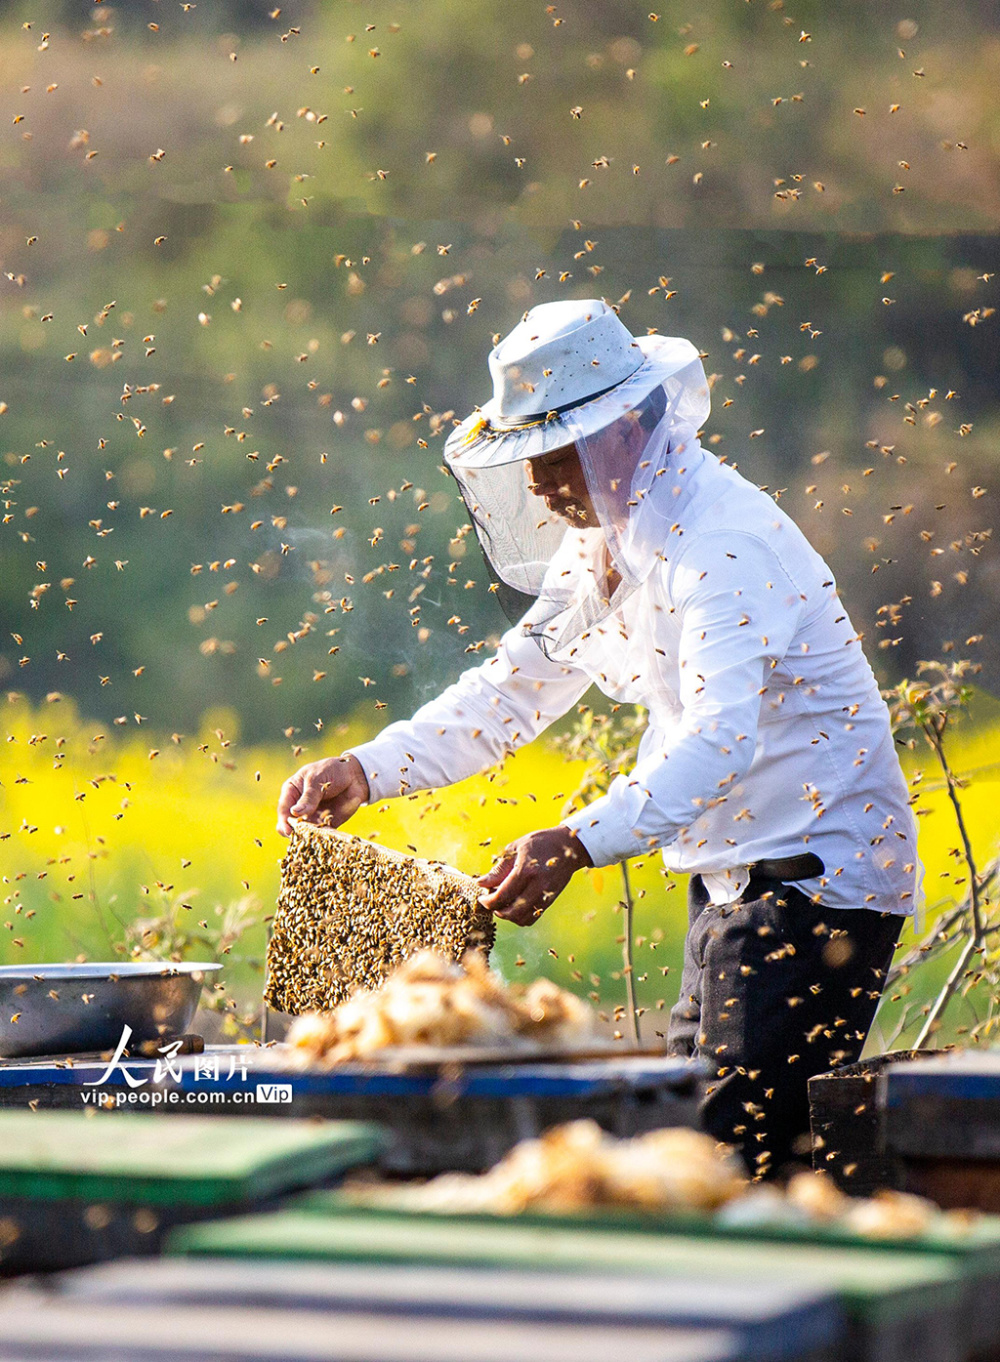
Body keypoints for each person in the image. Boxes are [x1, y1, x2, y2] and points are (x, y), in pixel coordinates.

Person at [276, 299, 919, 1177]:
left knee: (730, 1158)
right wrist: (367, 769)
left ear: (626, 427)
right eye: (525, 458)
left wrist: (577, 841)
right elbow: (513, 689)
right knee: (697, 1138)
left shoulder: (724, 549)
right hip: (733, 878)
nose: (539, 483)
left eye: (552, 452)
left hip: (815, 885)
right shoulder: (606, 544)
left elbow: (717, 744)